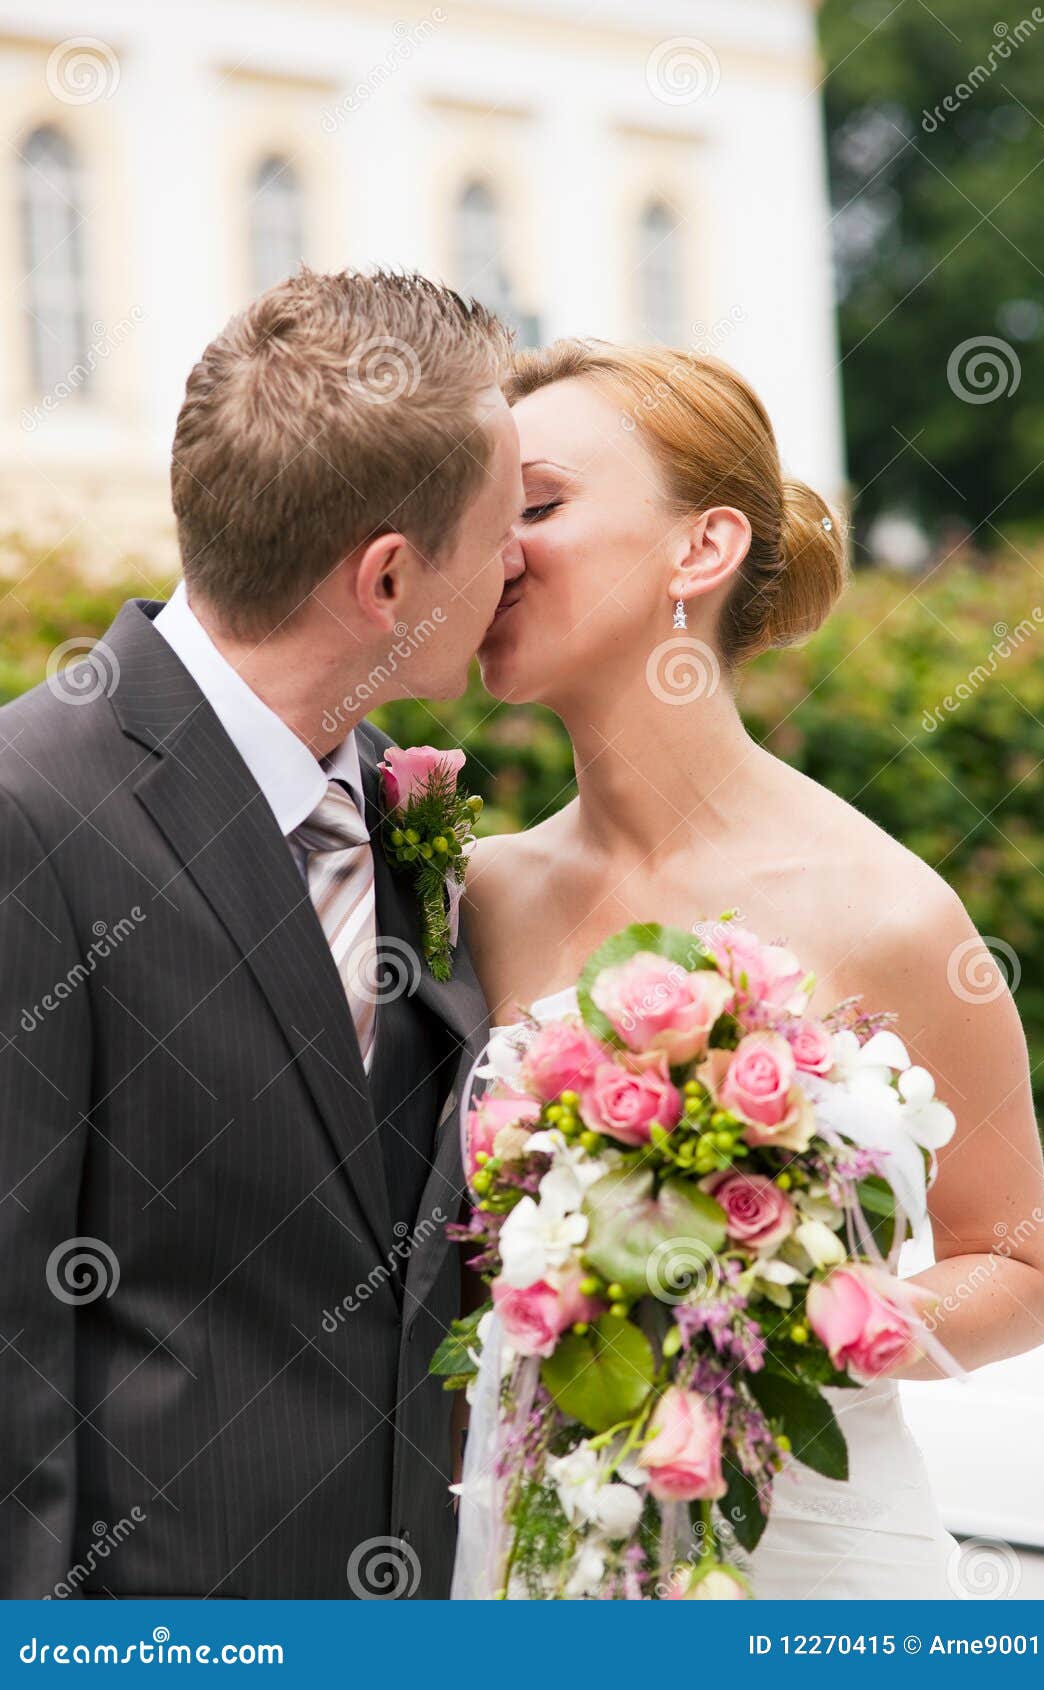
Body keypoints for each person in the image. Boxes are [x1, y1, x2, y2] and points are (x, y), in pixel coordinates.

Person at [462, 339, 1044, 1598]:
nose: (492, 550)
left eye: (535, 506)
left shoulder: (887, 907)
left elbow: (1014, 1269)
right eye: (476, 515)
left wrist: (803, 1308)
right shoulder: (482, 896)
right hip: (520, 1551)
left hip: (810, 1573)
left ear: (700, 548)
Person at [0, 268, 524, 1598]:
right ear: (387, 575)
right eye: (504, 521)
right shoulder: (30, 809)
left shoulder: (397, 795)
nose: (518, 557)